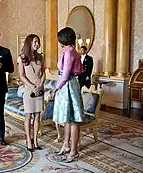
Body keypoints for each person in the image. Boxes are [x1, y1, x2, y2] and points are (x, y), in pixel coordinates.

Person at [51, 27, 84, 163]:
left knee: (73, 119)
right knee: (68, 118)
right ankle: (66, 145)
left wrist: (55, 89)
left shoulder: (70, 52)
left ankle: (74, 151)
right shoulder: (69, 51)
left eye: (60, 39)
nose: (59, 41)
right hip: (68, 85)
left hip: (68, 86)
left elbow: (65, 75)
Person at [17, 34, 45, 151]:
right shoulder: (22, 58)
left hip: (39, 89)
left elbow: (43, 73)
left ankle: (36, 140)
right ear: (29, 43)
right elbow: (21, 76)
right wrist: (32, 86)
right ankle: (29, 140)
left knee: (38, 115)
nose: (37, 44)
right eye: (35, 42)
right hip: (29, 90)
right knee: (28, 115)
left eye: (38, 42)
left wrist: (40, 85)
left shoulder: (40, 57)